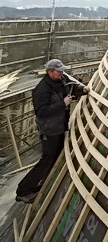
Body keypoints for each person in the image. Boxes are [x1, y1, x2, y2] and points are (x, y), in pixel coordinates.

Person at [15, 59, 89, 203]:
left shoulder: (61, 79)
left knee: (55, 158)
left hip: (60, 126)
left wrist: (82, 89)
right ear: (50, 72)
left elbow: (71, 86)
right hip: (50, 130)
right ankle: (23, 191)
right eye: (58, 71)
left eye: (62, 70)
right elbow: (41, 112)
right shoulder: (42, 89)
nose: (62, 73)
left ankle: (43, 184)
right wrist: (62, 104)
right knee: (47, 160)